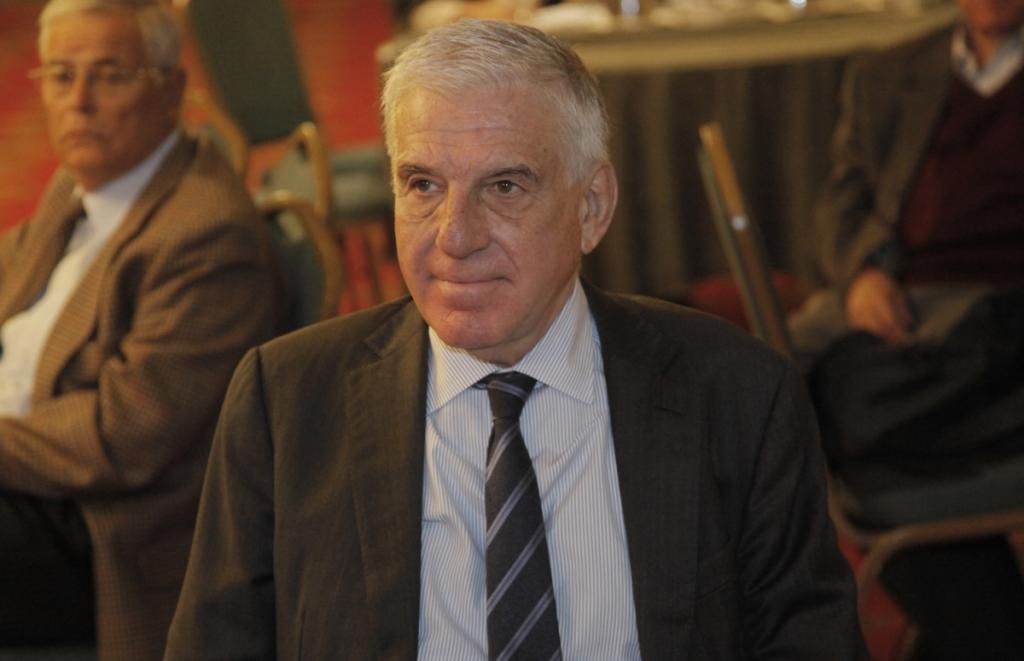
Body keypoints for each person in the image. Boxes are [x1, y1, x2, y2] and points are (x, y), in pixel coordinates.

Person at [165, 19, 864, 660]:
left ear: (592, 208)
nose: (455, 236)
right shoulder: (287, 402)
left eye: (503, 186)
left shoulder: (737, 394)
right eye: (423, 185)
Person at [0, 0, 281, 658]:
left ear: (171, 89)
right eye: (61, 75)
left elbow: (120, 438)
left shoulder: (205, 234)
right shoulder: (82, 184)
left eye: (110, 75)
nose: (79, 102)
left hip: (104, 534)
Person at [790, 0, 1024, 657]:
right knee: (771, 381)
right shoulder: (890, 71)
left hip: (998, 311)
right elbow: (842, 202)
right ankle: (990, 634)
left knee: (842, 408)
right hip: (896, 296)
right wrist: (865, 271)